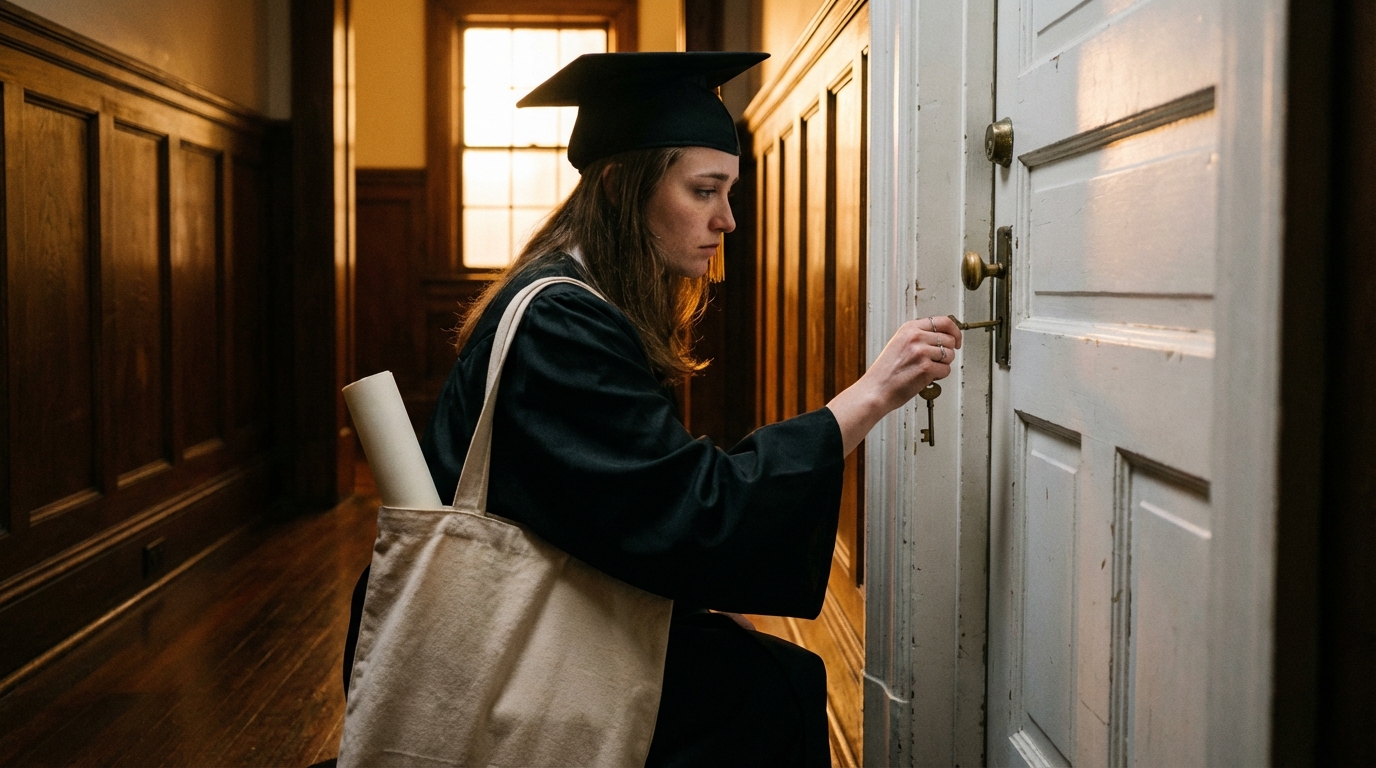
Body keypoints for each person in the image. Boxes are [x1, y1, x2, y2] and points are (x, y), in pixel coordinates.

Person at [342, 51, 962, 767]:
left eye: (729, 192)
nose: (728, 219)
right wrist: (870, 395)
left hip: (557, 597)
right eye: (705, 191)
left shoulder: (584, 300)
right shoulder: (560, 326)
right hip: (494, 649)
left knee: (759, 672)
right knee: (770, 691)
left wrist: (706, 593)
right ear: (619, 188)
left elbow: (632, 503)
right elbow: (694, 511)